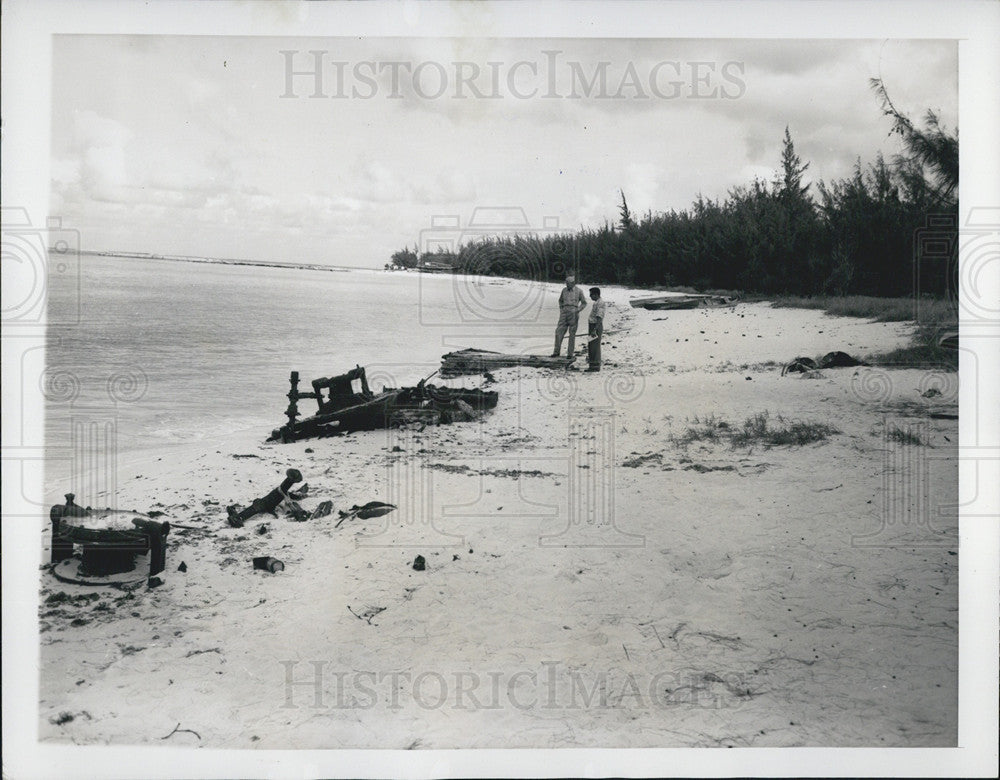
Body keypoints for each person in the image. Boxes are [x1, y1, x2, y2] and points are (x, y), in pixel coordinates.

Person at [551, 274, 588, 359]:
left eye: (568, 283)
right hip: (564, 312)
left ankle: (570, 354)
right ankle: (556, 352)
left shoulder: (579, 291)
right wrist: (561, 309)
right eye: (566, 283)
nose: (566, 284)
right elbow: (560, 300)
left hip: (574, 311)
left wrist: (578, 310)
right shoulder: (564, 290)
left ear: (573, 283)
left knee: (572, 334)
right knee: (558, 332)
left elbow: (584, 303)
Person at [586, 287, 606, 371]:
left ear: (596, 294)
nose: (590, 297)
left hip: (595, 326)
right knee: (591, 344)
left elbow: (599, 317)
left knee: (595, 346)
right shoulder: (596, 303)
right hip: (592, 325)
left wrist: (595, 329)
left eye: (591, 295)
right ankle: (592, 364)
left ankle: (595, 366)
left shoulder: (600, 303)